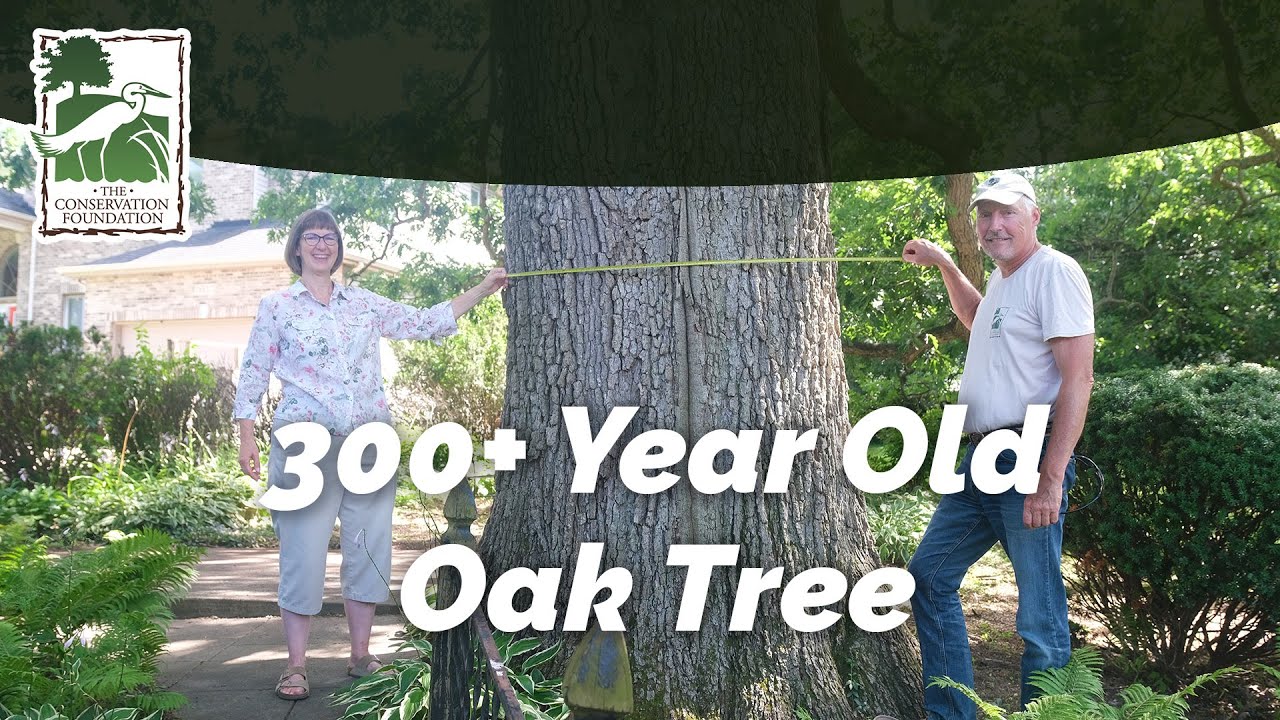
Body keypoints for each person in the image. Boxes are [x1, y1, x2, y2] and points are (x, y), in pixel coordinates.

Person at [233, 207, 508, 701]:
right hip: (304, 447)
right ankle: (296, 665)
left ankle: (360, 655)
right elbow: (254, 369)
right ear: (297, 248)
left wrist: (483, 289)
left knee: (368, 550)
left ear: (339, 249)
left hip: (367, 445)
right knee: (302, 553)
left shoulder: (362, 303)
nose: (322, 244)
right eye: (312, 237)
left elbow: (422, 322)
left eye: (330, 237)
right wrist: (246, 433)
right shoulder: (277, 306)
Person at [879, 173, 1095, 720]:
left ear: (1034, 216)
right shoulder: (1003, 280)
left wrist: (1050, 478)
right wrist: (946, 266)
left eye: (1007, 213)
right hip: (979, 456)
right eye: (985, 214)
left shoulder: (1054, 272)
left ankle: (1045, 715)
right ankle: (953, 714)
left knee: (1039, 615)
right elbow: (978, 320)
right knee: (929, 577)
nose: (994, 224)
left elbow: (1079, 378)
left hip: (1028, 454)